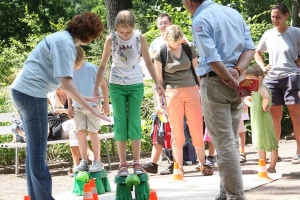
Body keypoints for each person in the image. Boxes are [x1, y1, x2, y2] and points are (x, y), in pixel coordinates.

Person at [10, 12, 109, 200]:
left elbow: (65, 85)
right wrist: (92, 109)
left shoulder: (61, 39)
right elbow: (67, 83)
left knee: (33, 150)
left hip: (23, 92)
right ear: (89, 33)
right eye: (95, 36)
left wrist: (86, 101)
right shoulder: (66, 45)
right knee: (38, 152)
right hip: (32, 94)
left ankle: (36, 196)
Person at [182, 0, 255, 199]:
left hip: (216, 83)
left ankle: (235, 196)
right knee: (229, 141)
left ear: (189, 1)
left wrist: (230, 78)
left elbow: (212, 58)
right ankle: (225, 192)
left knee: (225, 144)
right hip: (235, 82)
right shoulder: (233, 14)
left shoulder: (200, 18)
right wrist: (237, 73)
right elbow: (250, 49)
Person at [94, 10, 164, 176]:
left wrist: (157, 83)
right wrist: (95, 87)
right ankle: (123, 163)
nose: (125, 35)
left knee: (133, 121)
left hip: (135, 83)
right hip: (116, 84)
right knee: (120, 122)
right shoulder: (111, 39)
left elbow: (148, 61)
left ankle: (137, 162)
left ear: (133, 28)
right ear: (116, 29)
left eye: (128, 32)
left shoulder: (140, 38)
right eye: (121, 32)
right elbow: (103, 64)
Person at [153, 24, 212, 175]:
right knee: (177, 132)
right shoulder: (161, 52)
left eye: (178, 42)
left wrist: (202, 90)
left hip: (192, 89)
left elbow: (197, 71)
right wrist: (159, 101)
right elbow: (159, 79)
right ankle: (178, 167)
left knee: (197, 129)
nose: (176, 45)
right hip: (171, 93)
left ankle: (203, 164)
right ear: (166, 38)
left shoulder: (188, 48)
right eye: (174, 43)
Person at [254, 3, 300, 165]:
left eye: (278, 16)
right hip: (272, 79)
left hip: (292, 77)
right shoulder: (268, 34)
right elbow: (257, 53)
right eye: (272, 16)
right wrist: (262, 66)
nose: (275, 19)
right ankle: (275, 153)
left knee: (296, 116)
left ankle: (299, 152)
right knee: (274, 116)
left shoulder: (296, 32)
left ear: (286, 15)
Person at [70, 46, 110, 173]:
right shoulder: (69, 70)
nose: (75, 66)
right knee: (80, 132)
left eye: (76, 63)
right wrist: (69, 106)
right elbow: (69, 89)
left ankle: (97, 161)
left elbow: (103, 85)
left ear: (82, 58)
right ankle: (84, 161)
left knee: (93, 132)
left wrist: (106, 103)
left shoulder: (92, 69)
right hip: (78, 108)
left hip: (93, 107)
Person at [47, 88, 94, 177]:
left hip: (74, 127)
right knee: (75, 124)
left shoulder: (71, 94)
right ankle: (89, 153)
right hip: (59, 127)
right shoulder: (50, 96)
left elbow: (79, 112)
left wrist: (64, 111)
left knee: (74, 132)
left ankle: (76, 166)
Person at [244, 64, 279, 172]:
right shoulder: (254, 90)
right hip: (257, 120)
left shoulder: (262, 88)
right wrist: (253, 105)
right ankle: (262, 166)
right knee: (260, 143)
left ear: (259, 78)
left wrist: (264, 106)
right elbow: (246, 99)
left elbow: (267, 97)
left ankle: (272, 166)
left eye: (251, 79)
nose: (249, 82)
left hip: (263, 119)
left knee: (270, 142)